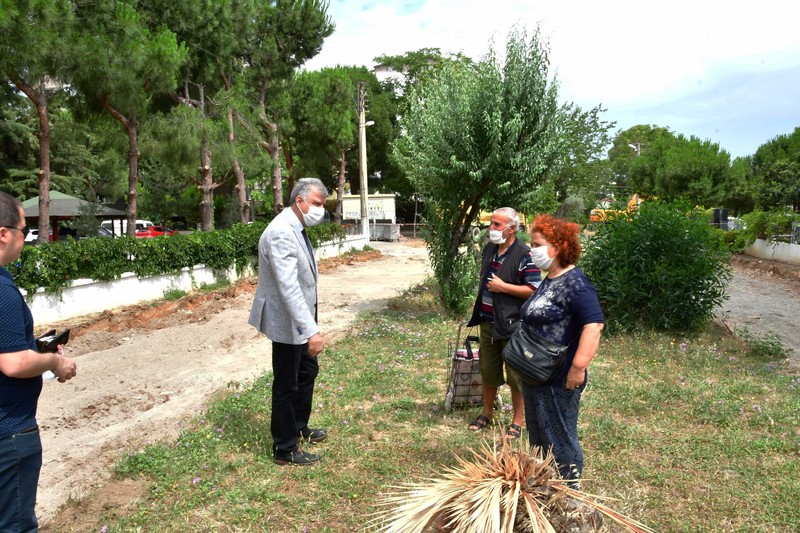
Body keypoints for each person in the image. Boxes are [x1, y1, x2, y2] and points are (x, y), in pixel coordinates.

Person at [0, 191, 77, 531]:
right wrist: (53, 364)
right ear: (4, 234)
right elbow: (13, 364)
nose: (26, 239)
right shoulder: (2, 291)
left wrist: (33, 346)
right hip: (10, 434)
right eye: (24, 230)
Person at [249, 178, 329, 466]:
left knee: (306, 372)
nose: (320, 210)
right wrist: (311, 330)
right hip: (286, 320)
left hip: (299, 318)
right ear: (300, 201)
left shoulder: (297, 226)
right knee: (287, 383)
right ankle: (284, 448)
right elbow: (288, 287)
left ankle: (297, 426)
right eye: (317, 204)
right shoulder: (281, 232)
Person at [519, 214, 604, 486]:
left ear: (557, 247)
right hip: (536, 374)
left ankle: (570, 493)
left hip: (559, 376)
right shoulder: (550, 279)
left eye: (537, 244)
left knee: (560, 438)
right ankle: (546, 486)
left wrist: (578, 368)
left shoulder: (576, 284)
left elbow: (594, 325)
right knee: (540, 435)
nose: (532, 250)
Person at [466, 207, 541, 439]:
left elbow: (534, 289)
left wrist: (504, 288)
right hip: (488, 322)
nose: (492, 229)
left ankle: (518, 421)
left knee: (516, 377)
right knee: (488, 372)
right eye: (491, 224)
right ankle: (486, 413)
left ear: (512, 229)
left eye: (497, 225)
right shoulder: (489, 249)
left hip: (513, 326)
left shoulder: (524, 254)